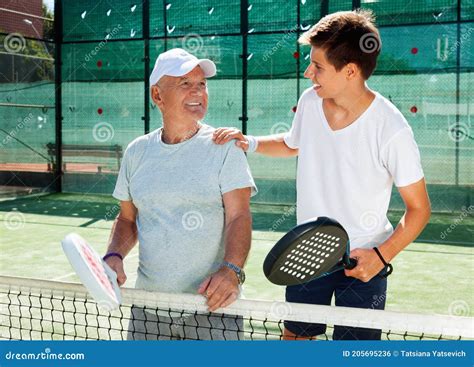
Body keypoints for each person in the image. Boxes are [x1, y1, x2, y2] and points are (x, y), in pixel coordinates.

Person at [213, 10, 431, 340]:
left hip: (363, 260)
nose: (307, 72)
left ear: (351, 71)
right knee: (296, 340)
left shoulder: (392, 129)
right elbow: (292, 143)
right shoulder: (311, 101)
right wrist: (250, 142)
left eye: (318, 67)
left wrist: (380, 256)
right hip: (307, 251)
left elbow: (419, 210)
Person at [103, 48, 257, 340]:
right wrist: (114, 255)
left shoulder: (225, 147)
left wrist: (231, 270)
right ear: (158, 96)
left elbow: (239, 216)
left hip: (214, 310)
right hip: (149, 310)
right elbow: (127, 219)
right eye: (185, 84)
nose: (197, 92)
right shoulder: (136, 152)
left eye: (202, 84)